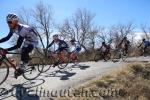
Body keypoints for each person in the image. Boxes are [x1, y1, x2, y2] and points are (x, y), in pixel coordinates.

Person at [0, 13, 38, 78]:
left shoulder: (23, 29)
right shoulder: (12, 28)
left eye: (10, 22)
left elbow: (18, 45)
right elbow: (7, 37)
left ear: (15, 21)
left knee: (24, 51)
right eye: (7, 22)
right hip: (27, 40)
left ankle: (24, 65)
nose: (8, 24)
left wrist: (6, 49)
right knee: (22, 52)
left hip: (33, 41)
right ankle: (25, 62)